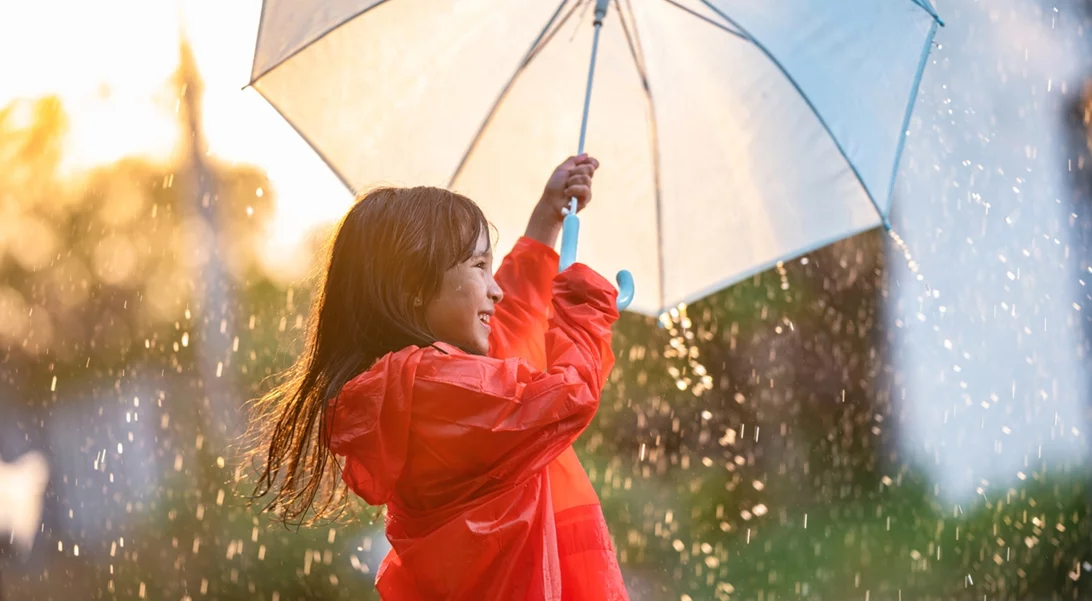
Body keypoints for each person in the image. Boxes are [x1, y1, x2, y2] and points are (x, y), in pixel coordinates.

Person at [247, 155, 629, 600]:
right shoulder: (433, 386)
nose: (496, 288)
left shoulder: (415, 385)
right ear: (414, 287)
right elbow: (567, 399)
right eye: (479, 267)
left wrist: (547, 219)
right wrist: (584, 310)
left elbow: (512, 324)